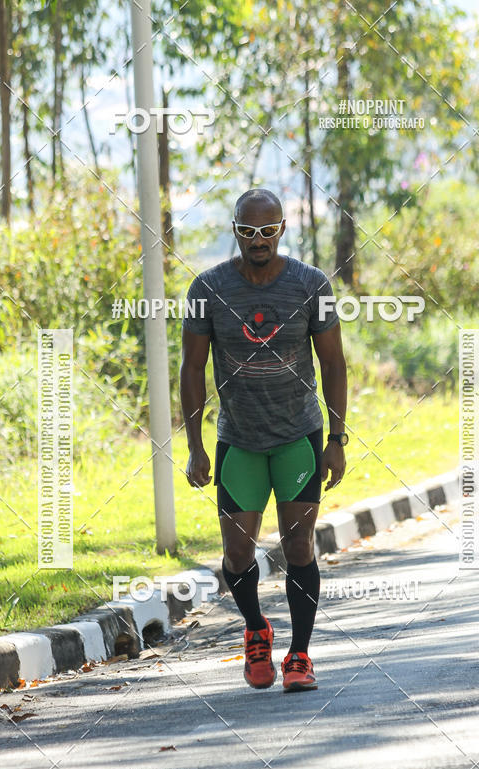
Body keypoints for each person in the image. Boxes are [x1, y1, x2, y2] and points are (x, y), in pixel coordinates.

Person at [180, 188, 347, 692]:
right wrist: (193, 445)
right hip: (239, 440)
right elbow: (191, 367)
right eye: (249, 230)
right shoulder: (208, 288)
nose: (259, 239)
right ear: (235, 229)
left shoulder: (310, 284)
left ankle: (299, 655)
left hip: (298, 435)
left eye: (268, 230)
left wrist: (337, 438)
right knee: (237, 554)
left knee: (298, 544)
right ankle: (256, 629)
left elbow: (333, 363)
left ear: (281, 229)